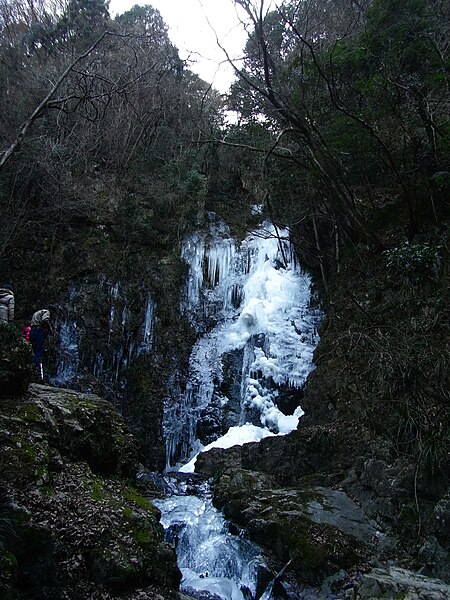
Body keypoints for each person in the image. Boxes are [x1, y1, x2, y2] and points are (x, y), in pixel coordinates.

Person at [29, 307, 52, 381]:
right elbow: (45, 319)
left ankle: (31, 371)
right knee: (38, 352)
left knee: (33, 350)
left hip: (32, 331)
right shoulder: (46, 312)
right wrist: (49, 328)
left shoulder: (36, 313)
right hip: (38, 331)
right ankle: (39, 376)